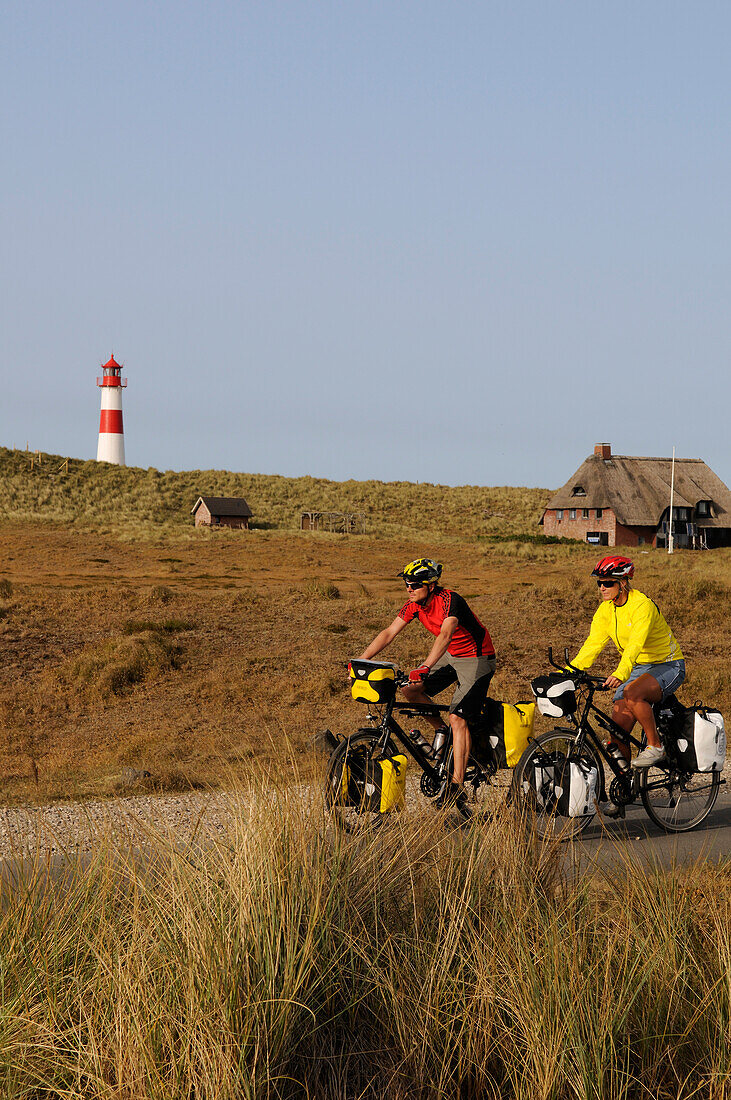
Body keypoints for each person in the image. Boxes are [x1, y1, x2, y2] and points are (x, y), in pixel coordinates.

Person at [356, 557, 496, 812]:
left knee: (458, 718)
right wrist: (362, 660)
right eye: (406, 584)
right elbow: (389, 632)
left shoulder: (450, 600)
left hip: (477, 657)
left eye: (414, 584)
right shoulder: (414, 606)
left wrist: (425, 666)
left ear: (430, 585)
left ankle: (457, 785)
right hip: (451, 656)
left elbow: (446, 634)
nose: (409, 588)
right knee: (410, 690)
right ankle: (443, 732)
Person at [570, 555, 685, 816]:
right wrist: (569, 671)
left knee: (633, 694)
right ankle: (625, 789)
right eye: (599, 582)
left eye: (608, 583)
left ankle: (655, 745)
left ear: (623, 583)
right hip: (638, 668)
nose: (602, 587)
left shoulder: (641, 605)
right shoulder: (605, 610)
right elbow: (593, 645)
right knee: (616, 733)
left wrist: (621, 673)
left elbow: (635, 645)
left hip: (667, 664)